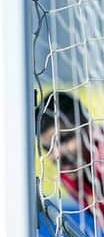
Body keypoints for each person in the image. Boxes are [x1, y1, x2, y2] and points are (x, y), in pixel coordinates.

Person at [37, 89, 104, 218]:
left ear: (85, 124)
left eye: (64, 139)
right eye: (48, 148)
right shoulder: (68, 172)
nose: (57, 154)